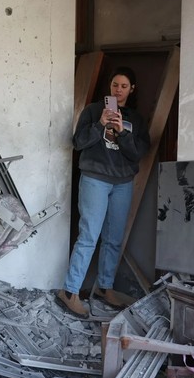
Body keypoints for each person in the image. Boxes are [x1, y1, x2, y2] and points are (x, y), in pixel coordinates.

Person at [57, 66, 150, 317]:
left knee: (114, 238)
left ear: (132, 89)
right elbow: (78, 143)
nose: (118, 90)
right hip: (95, 179)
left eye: (123, 86)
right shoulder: (92, 111)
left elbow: (138, 153)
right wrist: (100, 124)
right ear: (109, 87)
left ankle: (104, 288)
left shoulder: (136, 119)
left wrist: (122, 132)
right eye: (115, 85)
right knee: (89, 236)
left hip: (123, 183)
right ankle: (70, 291)